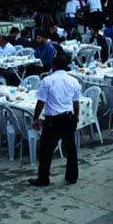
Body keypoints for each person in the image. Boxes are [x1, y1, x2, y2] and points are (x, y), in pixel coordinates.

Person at [29, 54, 81, 186]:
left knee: (46, 150)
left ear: (53, 66)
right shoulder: (73, 81)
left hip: (53, 120)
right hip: (68, 117)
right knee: (71, 149)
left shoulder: (47, 81)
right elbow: (76, 103)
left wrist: (35, 118)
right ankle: (72, 176)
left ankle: (43, 178)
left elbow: (41, 102)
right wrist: (76, 116)